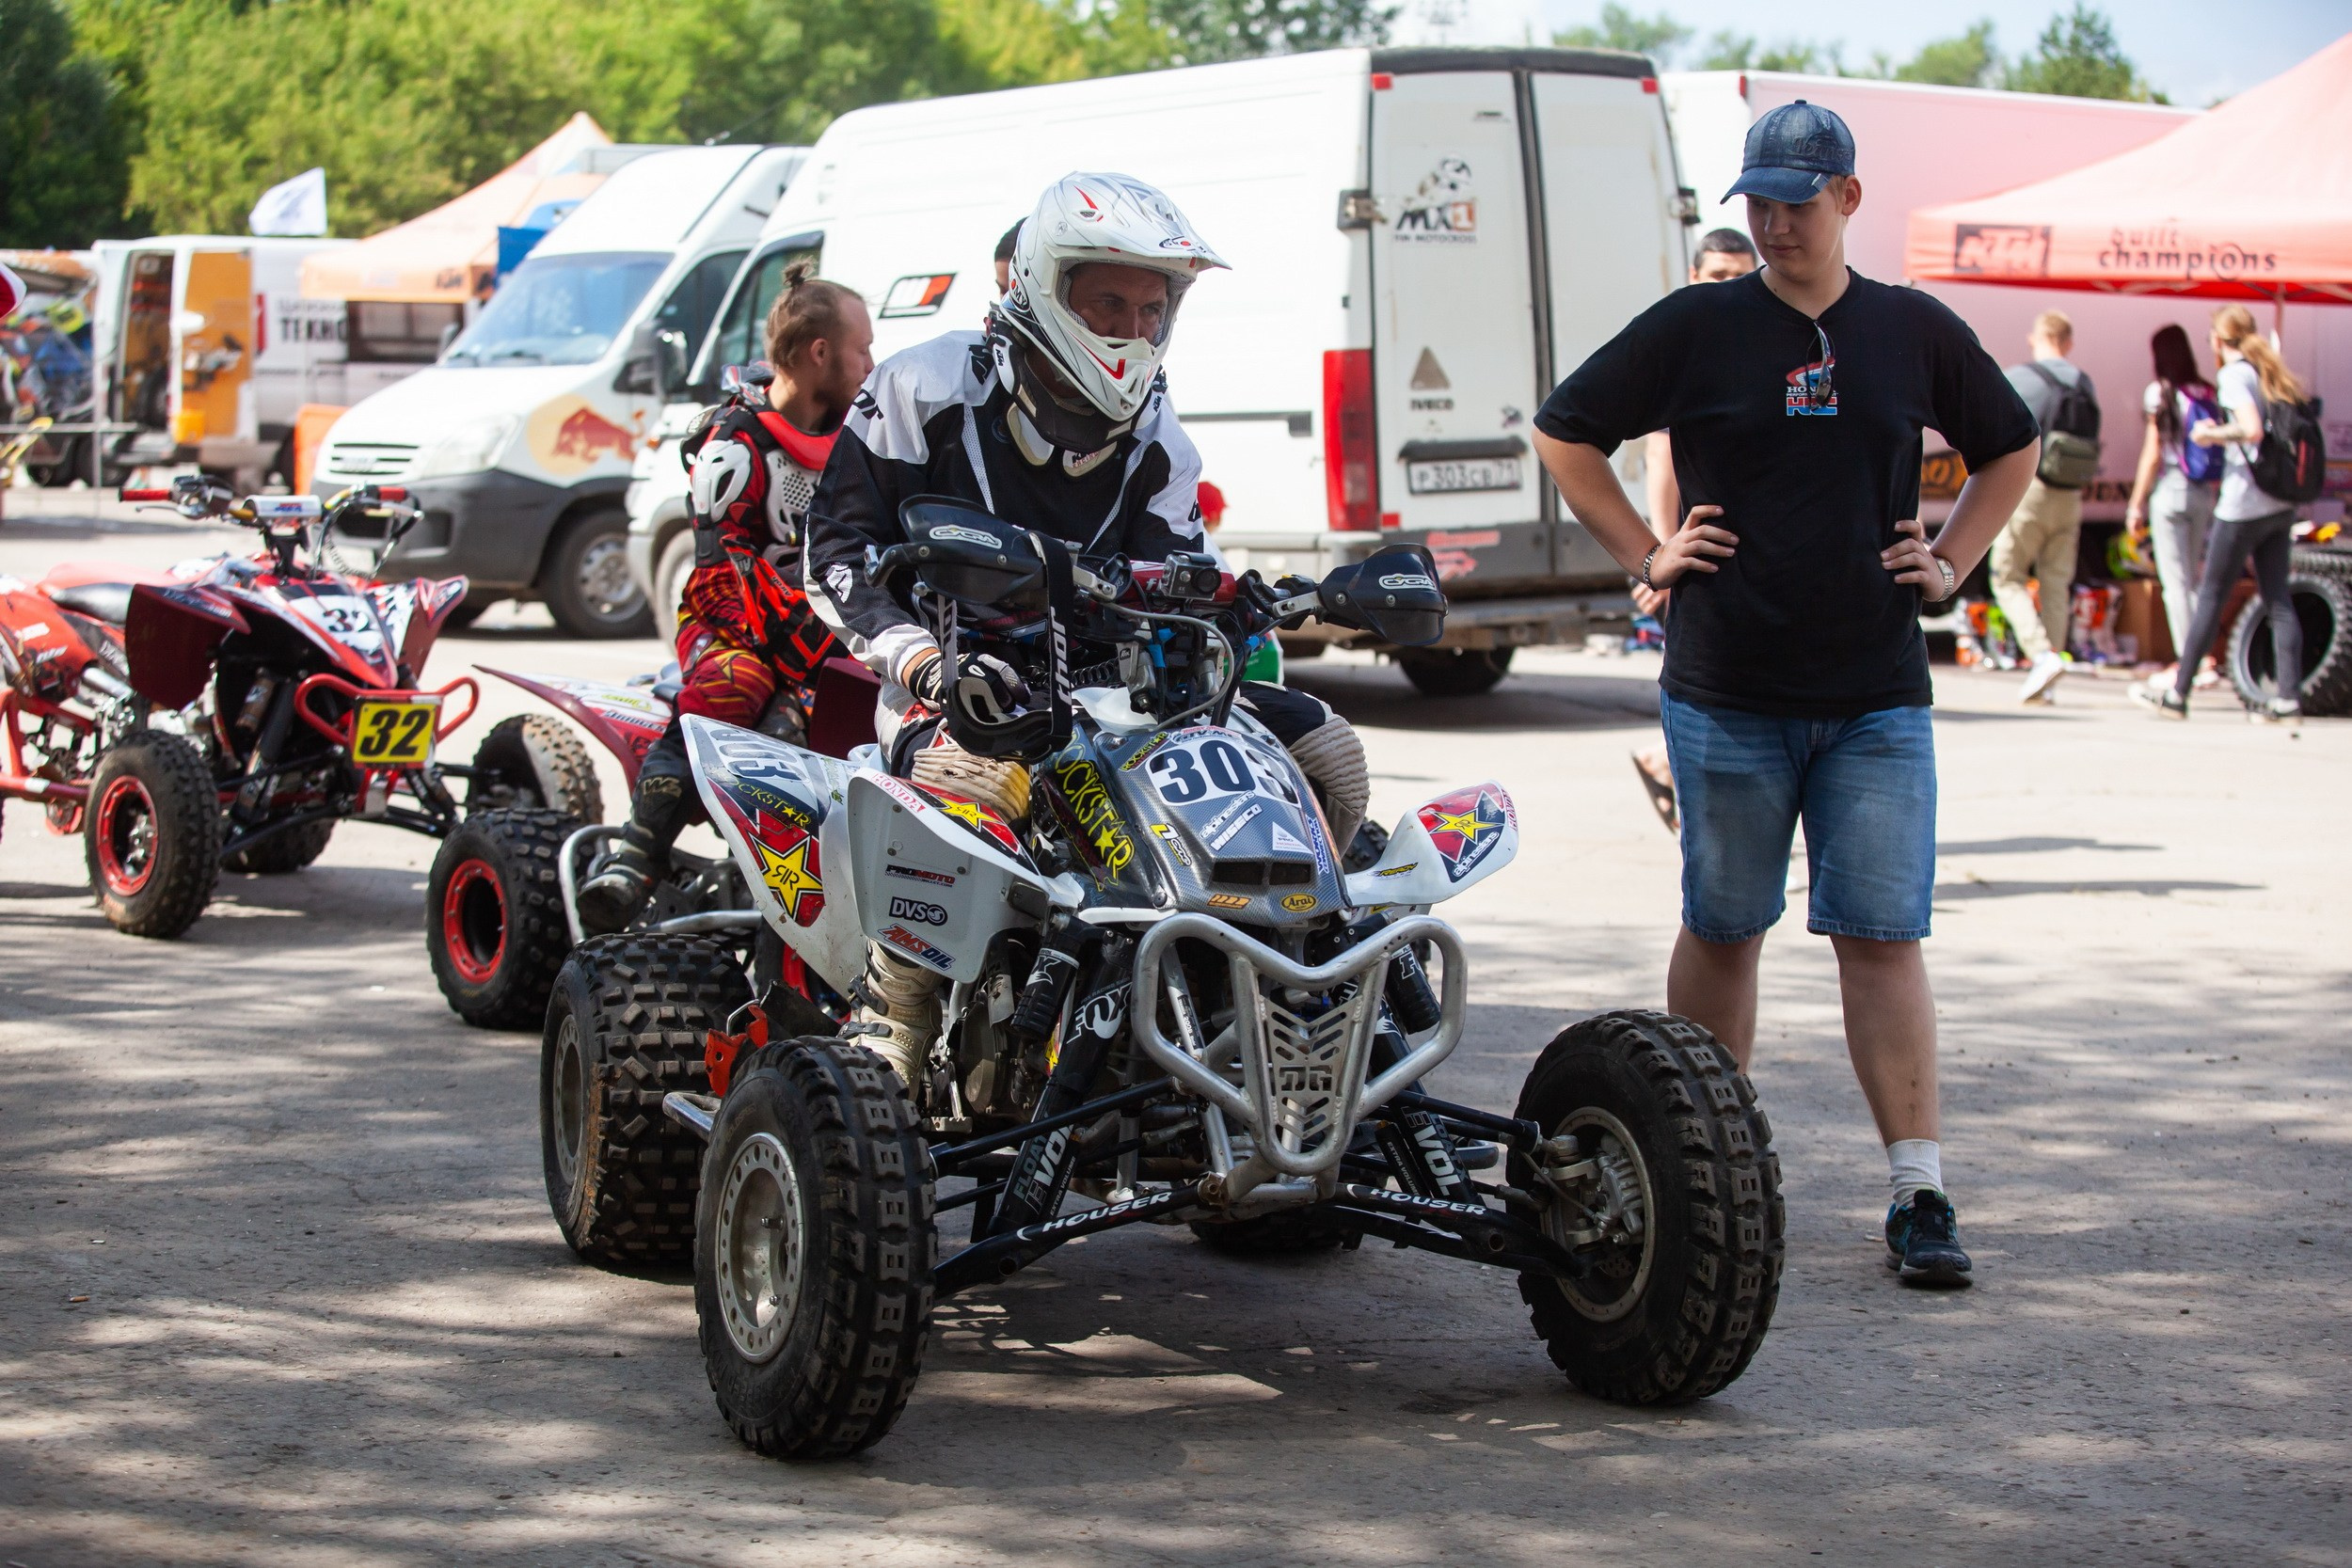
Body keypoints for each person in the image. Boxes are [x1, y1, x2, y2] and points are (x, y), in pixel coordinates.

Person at [1532, 99, 2041, 1289]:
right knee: (1725, 922)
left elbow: (2008, 444)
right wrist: (1642, 556)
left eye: (1794, 203)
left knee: (1880, 936)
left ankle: (1917, 1188)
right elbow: (1565, 435)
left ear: (1849, 200)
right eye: (1756, 202)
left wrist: (1951, 560)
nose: (1771, 223)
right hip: (1727, 685)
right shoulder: (1701, 323)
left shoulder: (1910, 328)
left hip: (1873, 690)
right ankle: (1700, 1172)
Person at [804, 172, 1370, 1101]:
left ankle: (1255, 988)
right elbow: (837, 546)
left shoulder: (1156, 428)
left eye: (1152, 306)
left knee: (1326, 755)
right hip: (964, 689)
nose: (1130, 325)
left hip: (1116, 702)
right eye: (1107, 299)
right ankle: (895, 1009)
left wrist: (1242, 612)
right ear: (1042, 282)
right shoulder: (924, 383)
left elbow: (1181, 576)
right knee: (978, 770)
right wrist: (918, 660)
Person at [576, 268, 876, 933]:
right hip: (731, 624)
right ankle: (636, 856)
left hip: (834, 629)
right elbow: (726, 574)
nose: (871, 364)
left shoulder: (865, 441)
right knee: (740, 684)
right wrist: (810, 645)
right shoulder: (735, 446)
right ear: (819, 353)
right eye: (863, 349)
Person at [1632, 229, 1760, 832]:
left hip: (1744, 553)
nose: (1730, 289)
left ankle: (1664, 765)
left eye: (1741, 276)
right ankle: (1687, 788)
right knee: (1716, 686)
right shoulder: (1686, 346)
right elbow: (1659, 461)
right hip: (1695, 553)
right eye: (1717, 277)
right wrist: (1660, 556)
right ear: (1693, 277)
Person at [2133, 304, 2309, 722]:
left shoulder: (2233, 375)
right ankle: (2288, 699)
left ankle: (2179, 693)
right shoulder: (2268, 372)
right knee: (2277, 599)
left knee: (2209, 595)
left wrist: (2211, 433)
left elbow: (2250, 429)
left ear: (2217, 338)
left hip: (2242, 503)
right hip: (2278, 502)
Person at [1992, 310, 2098, 705]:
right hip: (2071, 494)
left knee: (2007, 575)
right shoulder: (2084, 382)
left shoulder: (2022, 377)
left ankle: (2041, 656)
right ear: (2068, 343)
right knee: (2056, 583)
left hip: (2031, 490)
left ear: (2035, 338)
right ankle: (2049, 681)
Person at [2123, 325, 2222, 686]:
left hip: (2171, 491)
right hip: (2204, 493)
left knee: (2175, 581)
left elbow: (2153, 452)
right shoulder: (2205, 389)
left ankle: (2193, 661)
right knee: (2193, 579)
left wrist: (2136, 503)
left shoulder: (2161, 391)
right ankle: (2205, 655)